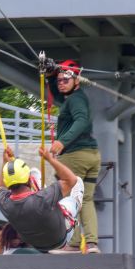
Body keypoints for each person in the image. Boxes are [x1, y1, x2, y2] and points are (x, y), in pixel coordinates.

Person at [45, 60, 101, 254]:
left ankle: (75, 243)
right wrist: (51, 76)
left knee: (70, 198)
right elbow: (56, 92)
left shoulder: (76, 100)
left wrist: (63, 141)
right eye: (59, 80)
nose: (61, 82)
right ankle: (90, 243)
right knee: (86, 199)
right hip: (92, 155)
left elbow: (82, 120)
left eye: (65, 79)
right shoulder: (72, 98)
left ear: (76, 80)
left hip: (75, 155)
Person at [0, 145, 84, 253]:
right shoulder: (43, 198)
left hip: (37, 244)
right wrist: (50, 159)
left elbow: (1, 187)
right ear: (28, 180)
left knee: (35, 173)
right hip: (61, 239)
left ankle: (40, 189)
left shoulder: (4, 203)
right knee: (78, 183)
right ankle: (77, 202)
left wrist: (5, 162)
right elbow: (71, 180)